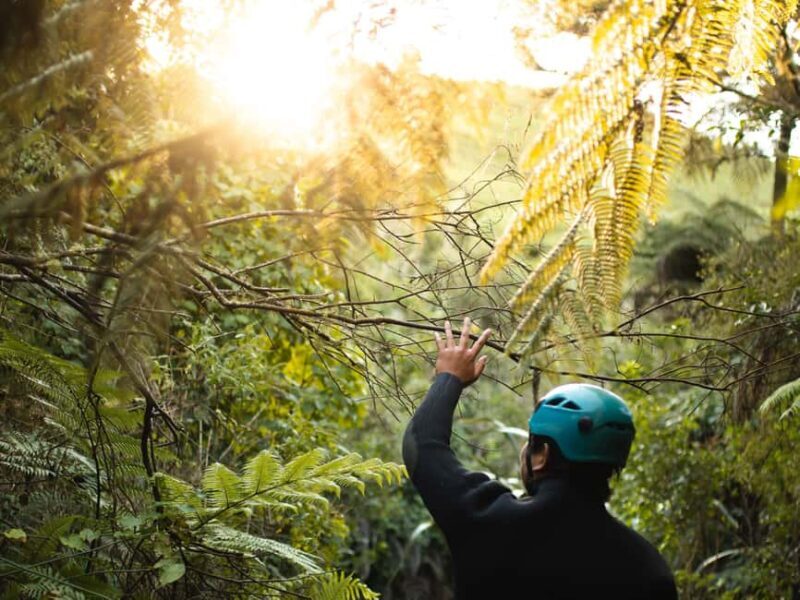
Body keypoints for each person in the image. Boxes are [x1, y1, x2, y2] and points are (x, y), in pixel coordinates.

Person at [402, 317, 677, 599]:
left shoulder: (488, 521)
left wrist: (449, 377)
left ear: (542, 456)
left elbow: (421, 444)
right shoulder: (648, 569)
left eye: (531, 441)